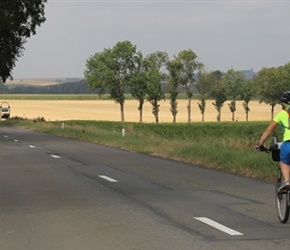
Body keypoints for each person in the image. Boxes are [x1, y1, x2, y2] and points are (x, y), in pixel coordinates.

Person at [256, 91, 290, 189]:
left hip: (288, 145)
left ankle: (287, 182)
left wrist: (260, 144)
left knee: (283, 161)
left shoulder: (282, 114)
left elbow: (268, 131)